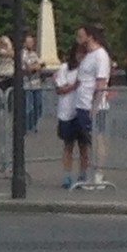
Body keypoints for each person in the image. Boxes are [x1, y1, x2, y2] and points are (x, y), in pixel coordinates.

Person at [73, 25, 113, 182]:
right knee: (87, 141)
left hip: (94, 106)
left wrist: (94, 107)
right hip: (82, 104)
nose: (78, 39)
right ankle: (89, 171)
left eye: (80, 36)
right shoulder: (87, 55)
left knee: (98, 139)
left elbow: (101, 83)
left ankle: (99, 173)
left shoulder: (100, 55)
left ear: (90, 36)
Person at [55, 42, 86, 186]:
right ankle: (66, 175)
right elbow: (60, 88)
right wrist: (74, 86)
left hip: (82, 110)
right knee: (68, 145)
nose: (81, 56)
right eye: (79, 53)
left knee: (84, 146)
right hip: (67, 111)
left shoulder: (87, 69)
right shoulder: (65, 68)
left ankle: (82, 175)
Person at [21, 33, 44, 133]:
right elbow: (27, 68)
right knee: (28, 107)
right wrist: (34, 66)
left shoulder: (34, 54)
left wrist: (35, 66)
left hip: (37, 84)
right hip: (27, 85)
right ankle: (27, 126)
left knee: (38, 106)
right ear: (24, 43)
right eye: (29, 42)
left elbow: (41, 65)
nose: (31, 44)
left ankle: (34, 125)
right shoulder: (22, 54)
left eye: (32, 42)